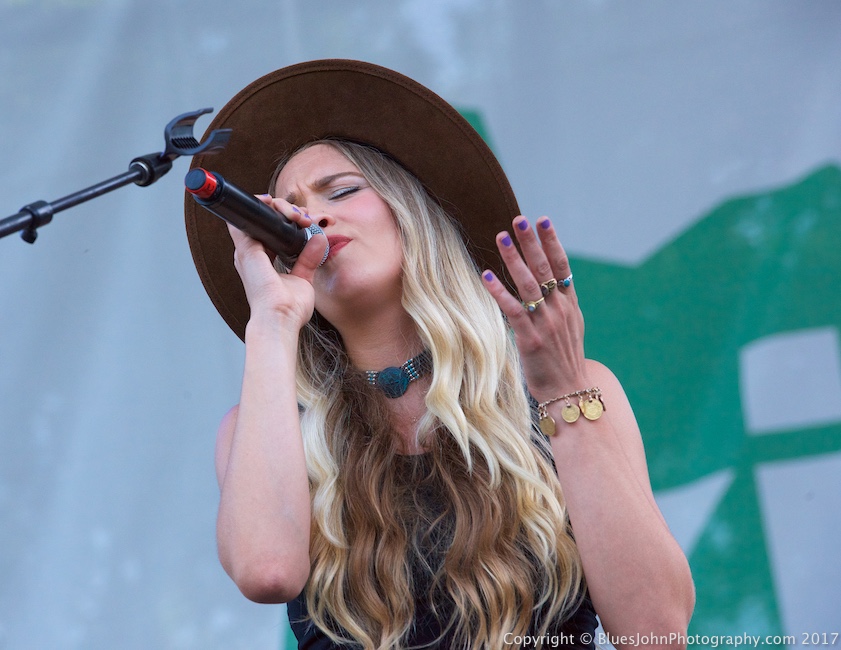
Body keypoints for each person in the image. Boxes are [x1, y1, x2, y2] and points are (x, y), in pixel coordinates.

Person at [184, 60, 694, 650]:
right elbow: (266, 572)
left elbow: (656, 633)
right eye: (290, 212)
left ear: (413, 215)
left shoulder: (575, 390)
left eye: (343, 190)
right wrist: (272, 323)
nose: (314, 217)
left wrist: (562, 392)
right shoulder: (261, 429)